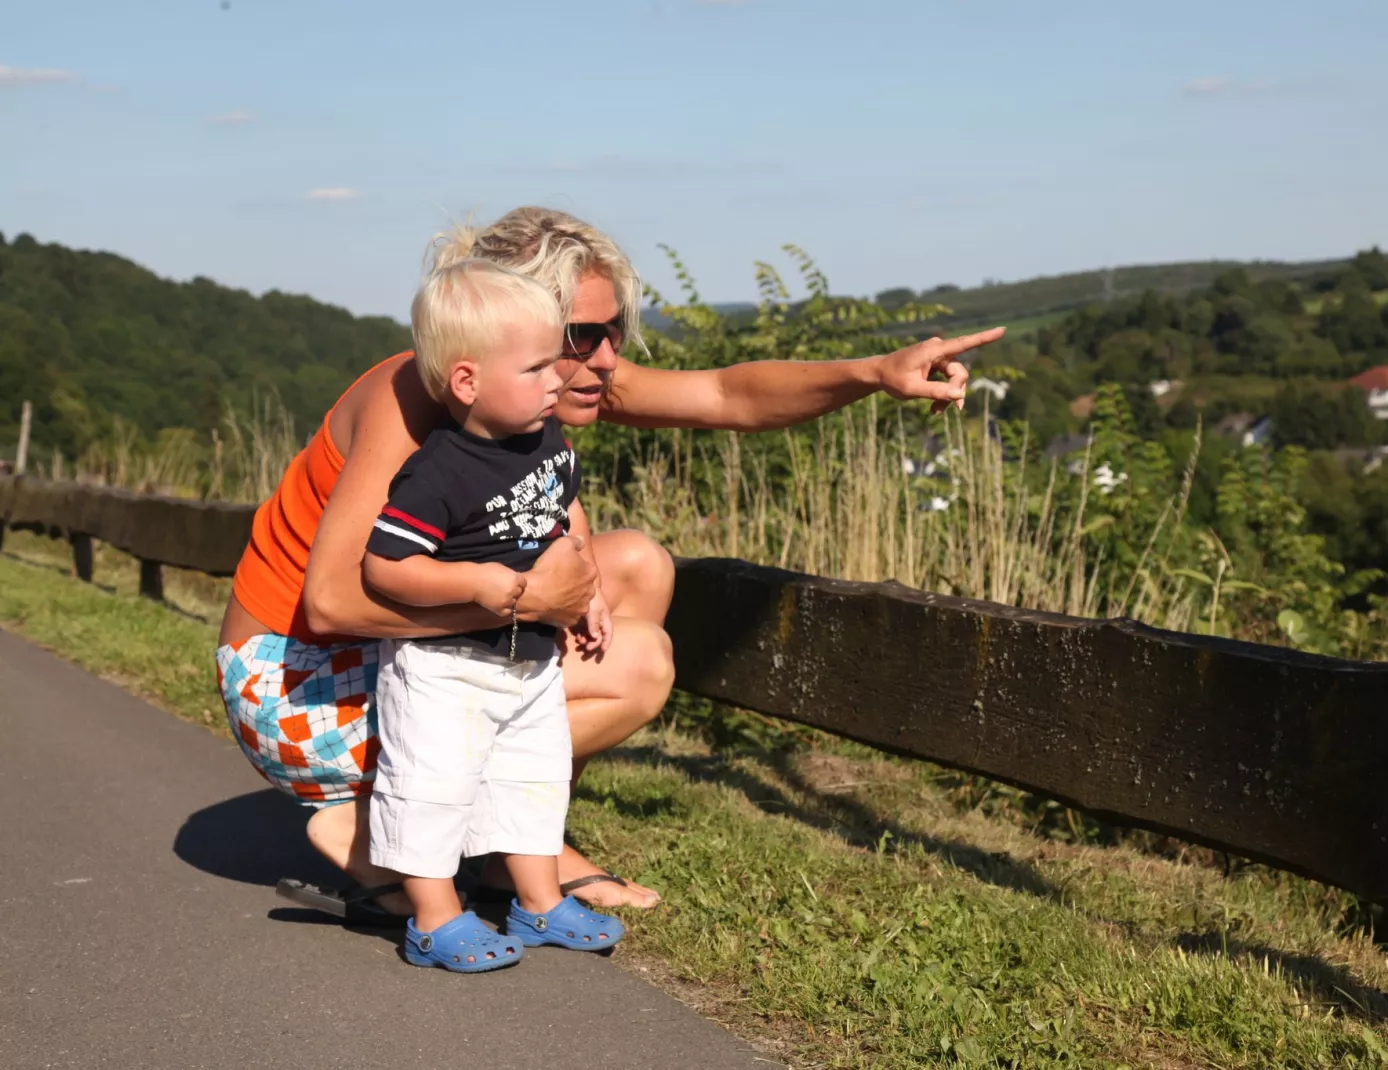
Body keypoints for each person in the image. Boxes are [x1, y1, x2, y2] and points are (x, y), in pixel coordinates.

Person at [217, 205, 1004, 925]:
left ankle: (508, 838)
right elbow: (329, 603)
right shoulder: (416, 392)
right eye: (582, 335)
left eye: (614, 329)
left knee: (636, 567)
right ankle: (411, 834)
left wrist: (873, 373)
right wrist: (525, 602)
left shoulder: (531, 381)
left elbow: (729, 396)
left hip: (385, 654)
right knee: (638, 664)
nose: (605, 356)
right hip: (292, 684)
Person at [363, 258, 622, 970]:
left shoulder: (548, 442)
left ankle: (538, 903)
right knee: (432, 784)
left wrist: (587, 588)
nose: (557, 380)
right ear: (468, 381)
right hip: (446, 665)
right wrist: (475, 583)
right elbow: (384, 565)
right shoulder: (438, 471)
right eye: (537, 368)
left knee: (536, 779)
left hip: (527, 659)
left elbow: (565, 513)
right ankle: (434, 917)